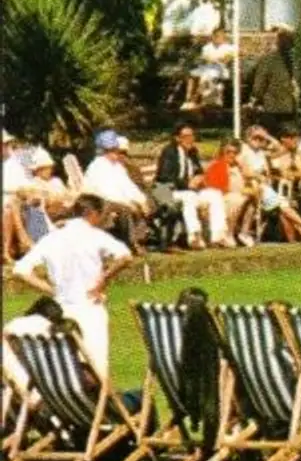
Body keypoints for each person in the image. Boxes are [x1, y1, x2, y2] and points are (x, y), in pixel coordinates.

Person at [11, 193, 133, 374]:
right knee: (97, 367)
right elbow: (126, 257)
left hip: (61, 309)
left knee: (67, 366)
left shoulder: (51, 238)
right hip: (90, 307)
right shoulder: (96, 236)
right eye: (102, 215)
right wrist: (104, 279)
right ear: (93, 214)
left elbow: (20, 270)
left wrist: (50, 289)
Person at [154, 124, 227, 249]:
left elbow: (199, 170)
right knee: (190, 196)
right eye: (186, 136)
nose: (190, 139)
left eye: (192, 136)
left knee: (215, 194)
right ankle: (194, 236)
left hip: (191, 190)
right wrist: (186, 183)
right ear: (177, 138)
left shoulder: (192, 152)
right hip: (171, 191)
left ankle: (218, 236)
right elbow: (165, 176)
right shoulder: (169, 152)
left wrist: (199, 177)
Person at [247, 29, 298, 137]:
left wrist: (257, 98)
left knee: (272, 136)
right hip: (289, 106)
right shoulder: (295, 59)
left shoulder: (268, 59)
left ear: (278, 42)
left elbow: (259, 83)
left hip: (273, 106)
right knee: (287, 136)